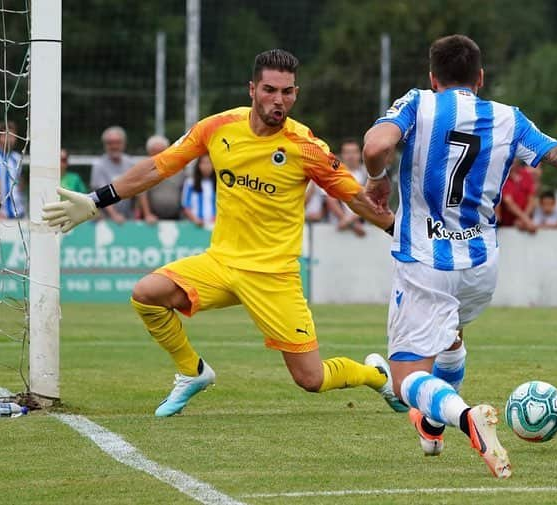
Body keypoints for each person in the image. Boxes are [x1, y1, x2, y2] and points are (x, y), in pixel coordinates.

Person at [42, 49, 406, 418]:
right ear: (251, 89)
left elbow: (357, 199)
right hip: (221, 263)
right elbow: (159, 167)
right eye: (269, 90)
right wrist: (96, 200)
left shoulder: (307, 148)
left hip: (273, 275)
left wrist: (399, 232)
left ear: (296, 93)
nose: (279, 100)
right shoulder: (217, 127)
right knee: (146, 295)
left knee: (310, 379)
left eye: (287, 92)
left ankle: (374, 375)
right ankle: (192, 371)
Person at [362, 34, 557, 478]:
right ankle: (431, 428)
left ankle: (466, 418)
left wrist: (377, 179)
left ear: (432, 78)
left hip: (426, 261)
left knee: (405, 378)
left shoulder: (418, 103)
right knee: (451, 337)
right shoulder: (510, 118)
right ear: (480, 79)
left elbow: (374, 149)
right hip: (481, 266)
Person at [91, 126, 134, 223]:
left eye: (117, 142)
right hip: (104, 220)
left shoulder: (130, 163)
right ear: (105, 145)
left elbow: (138, 190)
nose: (114, 146)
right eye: (110, 143)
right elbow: (102, 194)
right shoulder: (98, 165)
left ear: (124, 144)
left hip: (128, 219)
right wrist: (114, 215)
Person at [139, 135, 185, 222]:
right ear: (149, 153)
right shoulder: (144, 171)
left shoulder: (179, 170)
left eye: (161, 151)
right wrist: (147, 214)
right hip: (152, 219)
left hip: (177, 218)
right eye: (155, 152)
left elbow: (183, 192)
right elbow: (142, 195)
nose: (159, 155)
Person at [0, 121, 24, 219]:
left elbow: (19, 184)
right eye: (7, 135)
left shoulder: (17, 157)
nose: (10, 139)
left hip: (18, 212)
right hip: (2, 214)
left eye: (13, 135)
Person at [495, 158, 537, 233]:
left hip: (525, 224)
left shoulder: (526, 174)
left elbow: (531, 199)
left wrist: (524, 220)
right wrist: (526, 220)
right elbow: (508, 203)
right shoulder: (501, 178)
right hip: (506, 226)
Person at [181, 154, 216, 227]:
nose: (206, 166)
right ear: (198, 165)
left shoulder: (218, 184)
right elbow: (186, 205)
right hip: (196, 226)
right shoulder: (190, 182)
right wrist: (195, 219)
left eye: (209, 163)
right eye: (203, 163)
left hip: (214, 225)